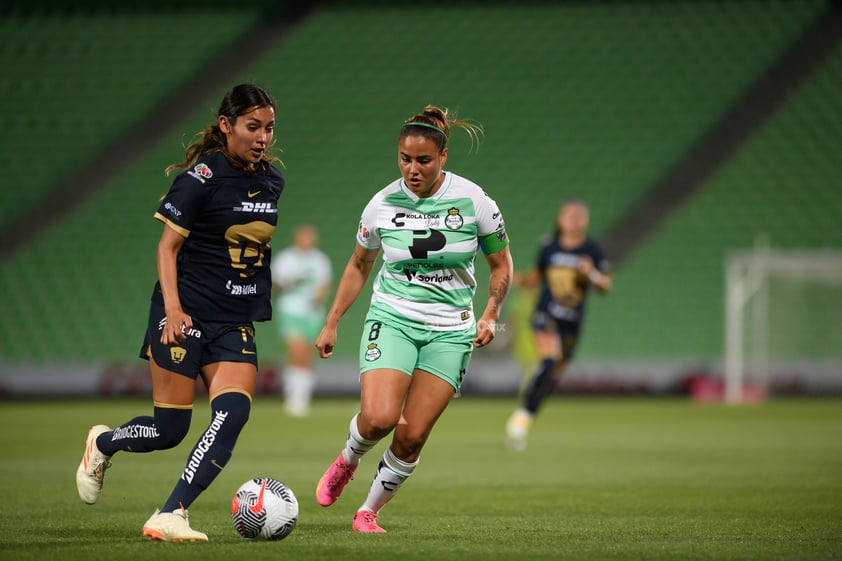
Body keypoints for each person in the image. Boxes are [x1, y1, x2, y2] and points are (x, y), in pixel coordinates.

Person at [75, 83, 285, 542]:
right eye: (253, 127)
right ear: (227, 126)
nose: (263, 136)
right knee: (170, 429)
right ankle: (104, 442)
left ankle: (171, 512)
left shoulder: (272, 181)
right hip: (184, 314)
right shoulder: (199, 179)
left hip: (233, 320)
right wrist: (172, 310)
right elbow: (168, 249)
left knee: (232, 413)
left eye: (268, 127)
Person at [312, 105, 513, 533]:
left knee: (412, 435)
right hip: (394, 317)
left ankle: (368, 511)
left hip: (450, 330)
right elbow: (359, 264)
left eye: (423, 160)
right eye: (405, 158)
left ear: (443, 158)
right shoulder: (382, 203)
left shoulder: (476, 201)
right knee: (380, 419)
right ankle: (348, 458)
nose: (412, 168)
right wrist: (332, 321)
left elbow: (501, 264)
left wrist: (491, 314)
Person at [505, 198, 611, 450]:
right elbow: (537, 276)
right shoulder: (549, 247)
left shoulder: (593, 250)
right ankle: (520, 420)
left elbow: (605, 286)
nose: (572, 220)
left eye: (577, 216)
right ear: (560, 219)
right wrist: (515, 279)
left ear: (584, 220)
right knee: (550, 361)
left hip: (572, 321)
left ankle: (526, 414)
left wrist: (592, 274)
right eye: (568, 215)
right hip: (546, 314)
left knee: (553, 374)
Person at [271, 224, 332, 416]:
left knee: (306, 354)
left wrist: (318, 298)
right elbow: (277, 285)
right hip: (291, 310)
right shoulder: (285, 258)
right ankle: (293, 396)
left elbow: (324, 286)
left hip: (312, 313)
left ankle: (303, 395)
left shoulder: (320, 260)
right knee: (295, 349)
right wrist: (291, 283)